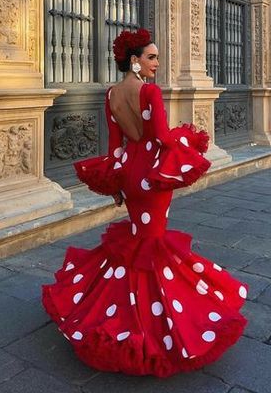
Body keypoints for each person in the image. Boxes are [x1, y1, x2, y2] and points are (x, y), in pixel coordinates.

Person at [42, 28, 248, 378]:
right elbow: (162, 138)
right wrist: (191, 138)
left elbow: (115, 146)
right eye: (151, 57)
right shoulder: (149, 91)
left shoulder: (111, 95)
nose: (156, 63)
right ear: (134, 60)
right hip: (152, 176)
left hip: (131, 174)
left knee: (141, 241)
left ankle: (123, 307)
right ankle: (154, 323)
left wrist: (117, 184)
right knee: (151, 246)